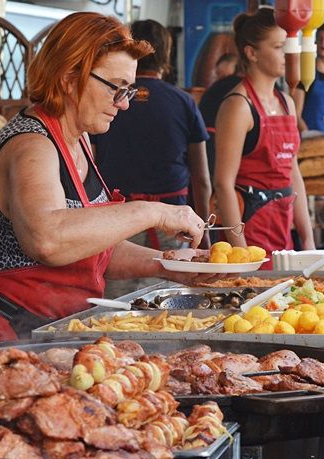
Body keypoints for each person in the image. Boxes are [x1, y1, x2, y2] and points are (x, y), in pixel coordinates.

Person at [0, 12, 210, 382]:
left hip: (28, 341)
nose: (124, 103)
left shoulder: (79, 141)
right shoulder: (31, 146)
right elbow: (48, 239)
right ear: (70, 79)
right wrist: (151, 212)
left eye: (130, 90)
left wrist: (171, 265)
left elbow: (88, 247)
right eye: (116, 87)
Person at [91, 19, 212, 296]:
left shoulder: (108, 99)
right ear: (166, 54)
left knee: (115, 303)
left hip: (115, 219)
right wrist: (204, 227)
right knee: (167, 301)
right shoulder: (183, 102)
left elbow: (93, 164)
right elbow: (202, 177)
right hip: (175, 221)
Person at [212, 8, 315, 265]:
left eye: (288, 46)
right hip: (249, 230)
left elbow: (293, 174)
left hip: (283, 229)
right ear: (252, 52)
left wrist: (308, 239)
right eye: (279, 46)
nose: (288, 54)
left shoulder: (287, 103)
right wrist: (240, 251)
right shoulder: (238, 106)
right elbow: (223, 184)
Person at [291, 22, 324, 133]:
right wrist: (309, 135)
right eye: (320, 38)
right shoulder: (305, 74)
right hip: (311, 139)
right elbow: (296, 114)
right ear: (315, 43)